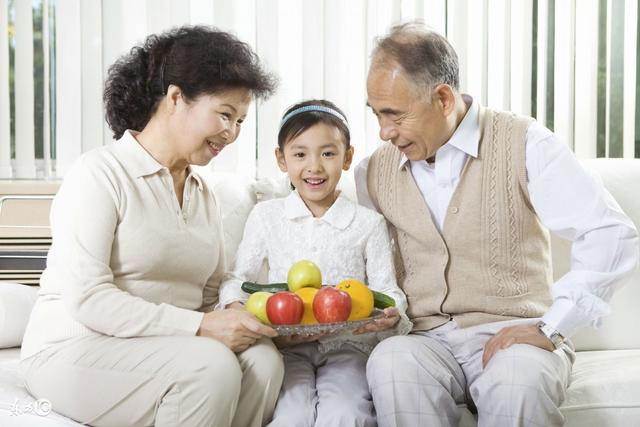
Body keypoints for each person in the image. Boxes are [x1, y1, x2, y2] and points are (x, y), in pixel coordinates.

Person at [356, 22, 640, 427]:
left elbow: (610, 232)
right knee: (389, 361)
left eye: (394, 115)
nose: (384, 132)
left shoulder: (524, 142)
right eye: (377, 114)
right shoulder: (373, 172)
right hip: (425, 341)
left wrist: (551, 327)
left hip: (515, 334)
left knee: (515, 383)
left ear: (442, 98)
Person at [20, 26, 284, 427]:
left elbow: (210, 292)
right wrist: (199, 327)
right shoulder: (99, 174)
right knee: (209, 366)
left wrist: (239, 315)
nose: (231, 133)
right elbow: (89, 298)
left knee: (264, 361)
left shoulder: (203, 192)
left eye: (241, 121)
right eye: (226, 115)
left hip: (164, 346)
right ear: (176, 98)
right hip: (74, 346)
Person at [217, 99, 411, 427]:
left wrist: (394, 313)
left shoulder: (368, 222)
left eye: (328, 153)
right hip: (286, 346)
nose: (314, 167)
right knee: (291, 416)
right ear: (281, 159)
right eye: (299, 154)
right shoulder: (267, 216)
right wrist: (235, 305)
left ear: (348, 157)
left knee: (346, 413)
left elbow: (387, 289)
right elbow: (239, 277)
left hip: (348, 347)